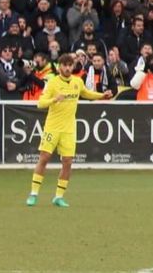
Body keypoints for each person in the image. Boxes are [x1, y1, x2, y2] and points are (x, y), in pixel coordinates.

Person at [25, 53, 113, 208]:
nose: (67, 68)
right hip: (52, 127)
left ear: (73, 67)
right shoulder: (52, 83)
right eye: (64, 65)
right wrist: (54, 99)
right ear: (59, 67)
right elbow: (40, 103)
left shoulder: (77, 82)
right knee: (44, 158)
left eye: (69, 65)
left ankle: (58, 197)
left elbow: (86, 93)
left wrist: (102, 96)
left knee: (67, 162)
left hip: (69, 129)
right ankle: (33, 193)